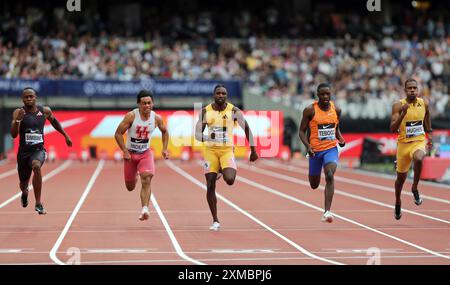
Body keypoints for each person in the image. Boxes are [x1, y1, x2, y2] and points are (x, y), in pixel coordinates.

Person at [195, 84, 258, 231]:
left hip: (227, 150)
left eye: (224, 93)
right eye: (218, 93)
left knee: (230, 180)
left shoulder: (234, 111)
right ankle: (215, 220)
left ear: (226, 95)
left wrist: (253, 150)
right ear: (213, 95)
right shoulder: (205, 111)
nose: (221, 96)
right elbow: (197, 134)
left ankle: (222, 170)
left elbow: (247, 128)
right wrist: (206, 137)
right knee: (210, 184)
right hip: (211, 151)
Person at [11, 87, 72, 214]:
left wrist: (65, 135)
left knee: (36, 166)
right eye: (26, 97)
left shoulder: (44, 111)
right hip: (23, 153)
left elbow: (55, 123)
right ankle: (24, 192)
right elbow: (13, 135)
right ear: (22, 99)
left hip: (38, 150)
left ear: (35, 98)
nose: (28, 99)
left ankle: (38, 203)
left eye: (31, 96)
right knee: (23, 184)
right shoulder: (18, 112)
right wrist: (17, 120)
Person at [115, 90, 169, 221]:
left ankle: (145, 208)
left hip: (145, 153)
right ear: (138, 104)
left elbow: (165, 132)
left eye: (149, 103)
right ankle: (136, 175)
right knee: (130, 187)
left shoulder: (156, 118)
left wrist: (165, 149)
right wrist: (125, 151)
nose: (147, 106)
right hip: (130, 155)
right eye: (144, 103)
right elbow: (118, 134)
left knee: (147, 179)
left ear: (153, 104)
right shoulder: (131, 116)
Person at [298, 83, 345, 223]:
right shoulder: (310, 110)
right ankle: (314, 176)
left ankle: (327, 212)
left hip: (330, 149)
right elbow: (301, 131)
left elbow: (336, 129)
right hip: (315, 151)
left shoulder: (336, 109)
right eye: (322, 94)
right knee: (314, 184)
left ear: (331, 95)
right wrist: (308, 146)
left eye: (327, 94)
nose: (325, 97)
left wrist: (340, 138)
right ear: (317, 95)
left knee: (329, 175)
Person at [390, 78, 432, 220]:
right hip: (403, 146)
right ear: (405, 90)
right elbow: (392, 129)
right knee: (400, 180)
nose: (412, 90)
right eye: (410, 88)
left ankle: (414, 187)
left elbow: (427, 118)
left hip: (418, 141)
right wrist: (402, 113)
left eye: (414, 88)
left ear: (417, 89)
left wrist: (430, 134)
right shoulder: (398, 105)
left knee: (419, 158)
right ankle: (397, 202)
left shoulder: (424, 103)